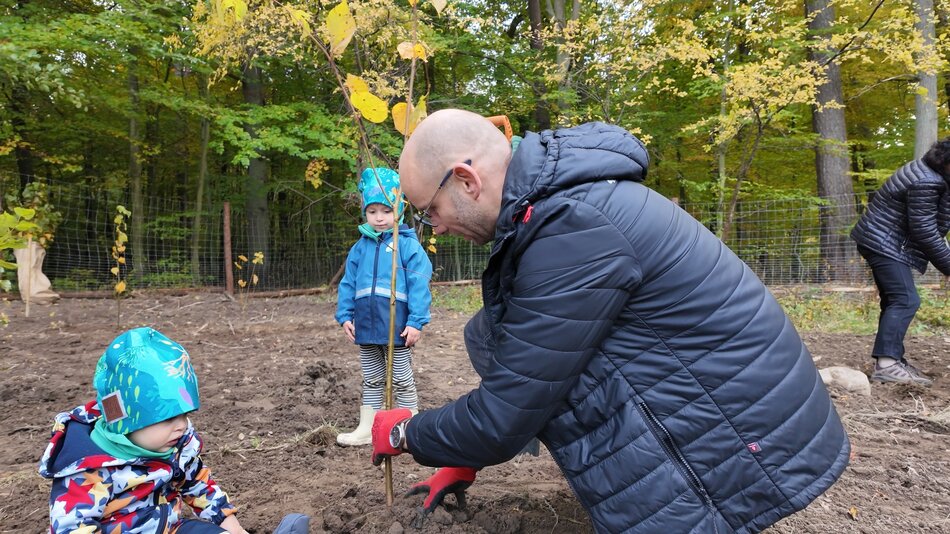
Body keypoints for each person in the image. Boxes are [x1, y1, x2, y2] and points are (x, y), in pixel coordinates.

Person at [368, 109, 850, 533]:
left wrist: (405, 432)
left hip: (747, 442)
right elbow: (527, 366)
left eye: (431, 211)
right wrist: (462, 451)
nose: (439, 227)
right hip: (741, 412)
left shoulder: (574, 229)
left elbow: (505, 414)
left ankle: (697, 512)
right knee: (489, 333)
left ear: (467, 181)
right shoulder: (563, 207)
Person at [38, 327, 309, 534]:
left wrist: (234, 528)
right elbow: (73, 527)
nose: (181, 425)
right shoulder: (88, 471)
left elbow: (199, 485)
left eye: (184, 415)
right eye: (167, 419)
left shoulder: (175, 445)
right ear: (125, 419)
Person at [335, 167, 433, 446]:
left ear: (399, 211)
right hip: (365, 323)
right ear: (365, 213)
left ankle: (410, 427)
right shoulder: (359, 248)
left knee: (401, 377)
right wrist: (345, 316)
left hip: (396, 323)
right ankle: (370, 427)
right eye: (372, 211)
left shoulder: (408, 246)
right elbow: (348, 284)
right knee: (372, 377)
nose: (379, 218)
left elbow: (419, 285)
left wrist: (416, 321)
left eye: (386, 210)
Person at [850, 139, 950, 386]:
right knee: (905, 299)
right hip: (883, 243)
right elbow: (924, 231)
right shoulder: (927, 181)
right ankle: (887, 365)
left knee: (896, 300)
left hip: (881, 239)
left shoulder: (931, 172)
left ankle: (893, 360)